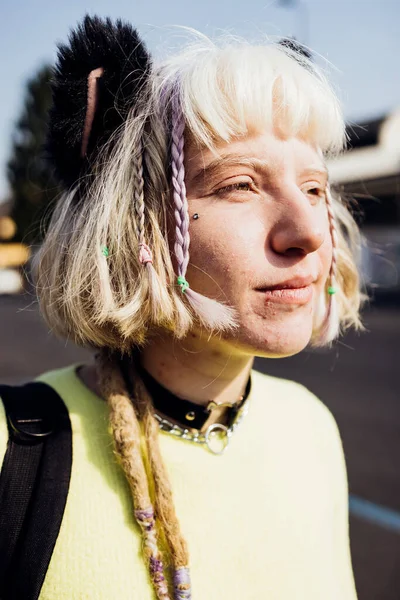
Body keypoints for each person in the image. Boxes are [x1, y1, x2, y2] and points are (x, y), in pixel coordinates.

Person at [0, 15, 362, 600]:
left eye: (315, 188)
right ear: (133, 219)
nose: (308, 232)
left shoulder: (313, 428)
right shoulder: (14, 447)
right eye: (240, 185)